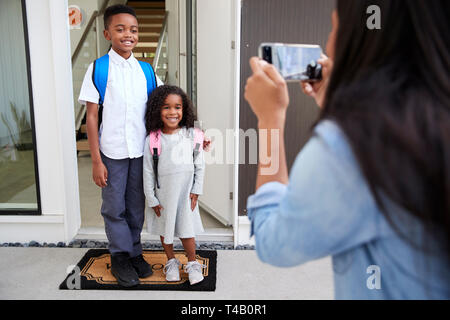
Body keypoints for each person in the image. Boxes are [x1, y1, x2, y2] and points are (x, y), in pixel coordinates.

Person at [244, 0, 450, 299]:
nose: (328, 42)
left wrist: (269, 119)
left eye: (335, 27)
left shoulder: (353, 147)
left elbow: (274, 242)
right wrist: (338, 108)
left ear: (361, 38)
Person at [78, 4, 164, 287]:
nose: (128, 34)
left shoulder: (146, 70)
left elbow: (164, 105)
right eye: (120, 29)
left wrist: (193, 131)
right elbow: (91, 117)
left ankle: (134, 252)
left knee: (136, 206)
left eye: (133, 30)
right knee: (114, 208)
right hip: (111, 153)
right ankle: (119, 257)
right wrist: (96, 160)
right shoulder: (98, 69)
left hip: (139, 152)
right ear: (107, 33)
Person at [143, 85, 206, 285]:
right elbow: (148, 171)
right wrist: (151, 198)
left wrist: (197, 189)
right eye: (166, 107)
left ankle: (193, 262)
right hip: (164, 194)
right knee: (166, 229)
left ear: (184, 109)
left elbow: (200, 164)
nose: (172, 112)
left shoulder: (192, 135)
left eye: (177, 107)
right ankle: (171, 260)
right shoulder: (153, 139)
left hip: (185, 192)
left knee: (187, 230)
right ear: (157, 111)